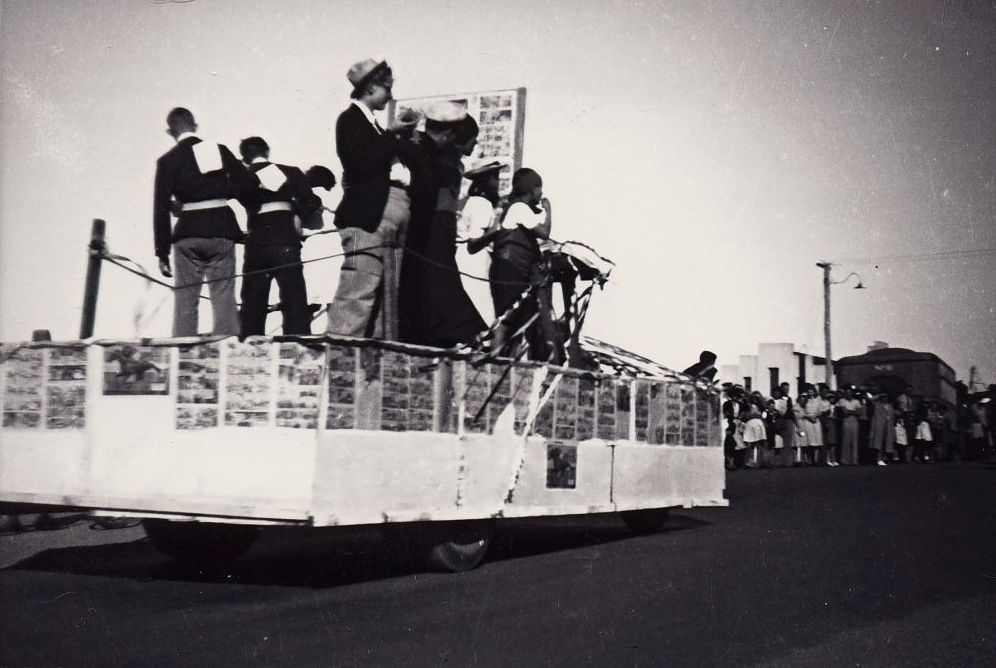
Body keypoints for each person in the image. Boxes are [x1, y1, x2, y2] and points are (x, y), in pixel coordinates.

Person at [326, 58, 417, 340]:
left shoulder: (373, 125)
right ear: (370, 88)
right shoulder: (350, 119)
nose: (390, 95)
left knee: (382, 300)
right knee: (359, 292)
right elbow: (361, 162)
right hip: (367, 218)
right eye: (387, 88)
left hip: (382, 214)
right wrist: (393, 134)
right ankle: (340, 355)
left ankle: (369, 364)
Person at [153, 107, 252, 336]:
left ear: (170, 131)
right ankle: (226, 345)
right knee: (224, 295)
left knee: (186, 297)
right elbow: (247, 186)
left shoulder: (167, 161)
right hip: (221, 229)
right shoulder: (218, 150)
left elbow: (160, 207)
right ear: (195, 125)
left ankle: (183, 351)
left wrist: (162, 252)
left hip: (187, 232)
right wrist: (222, 191)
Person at [398, 102, 487, 348]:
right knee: (439, 275)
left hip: (442, 220)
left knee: (435, 276)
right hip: (438, 220)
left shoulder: (450, 157)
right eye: (473, 139)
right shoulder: (446, 157)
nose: (476, 145)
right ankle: (464, 330)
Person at [236, 136, 323, 336]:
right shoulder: (290, 172)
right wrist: (296, 214)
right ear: (267, 151)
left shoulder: (243, 176)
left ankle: (250, 343)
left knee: (253, 301)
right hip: (286, 240)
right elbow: (311, 201)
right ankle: (297, 341)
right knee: (294, 296)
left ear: (245, 158)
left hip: (257, 242)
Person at [489, 167, 554, 360]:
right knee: (507, 318)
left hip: (513, 269)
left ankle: (504, 359)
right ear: (533, 189)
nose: (541, 193)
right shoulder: (519, 208)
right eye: (539, 188)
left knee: (516, 319)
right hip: (510, 269)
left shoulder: (518, 208)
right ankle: (495, 358)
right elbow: (544, 232)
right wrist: (549, 211)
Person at [455, 161, 505, 325]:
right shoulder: (482, 204)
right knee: (481, 310)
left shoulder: (468, 201)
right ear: (487, 180)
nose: (498, 183)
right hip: (474, 260)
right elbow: (474, 242)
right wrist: (497, 230)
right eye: (495, 178)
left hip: (461, 258)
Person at [838, 386, 862, 465]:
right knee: (846, 440)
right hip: (846, 421)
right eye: (847, 392)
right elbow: (844, 412)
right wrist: (854, 411)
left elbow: (860, 412)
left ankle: (854, 460)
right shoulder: (842, 401)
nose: (848, 394)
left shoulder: (856, 401)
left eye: (850, 392)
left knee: (854, 440)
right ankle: (845, 460)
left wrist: (849, 411)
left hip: (854, 421)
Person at [869, 393, 895, 465]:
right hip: (879, 426)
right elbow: (871, 400)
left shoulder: (890, 406)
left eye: (885, 397)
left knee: (886, 443)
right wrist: (878, 395)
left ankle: (884, 458)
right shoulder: (877, 405)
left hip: (888, 426)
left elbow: (892, 417)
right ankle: (878, 458)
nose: (884, 398)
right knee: (878, 443)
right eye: (882, 397)